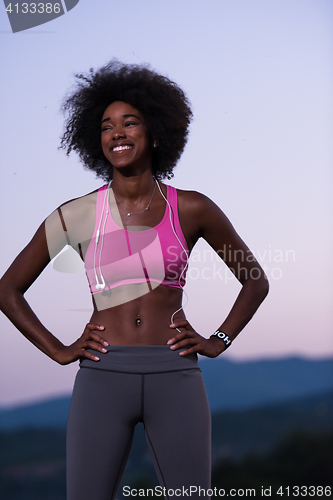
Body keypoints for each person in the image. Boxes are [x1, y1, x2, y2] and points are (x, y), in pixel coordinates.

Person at [0, 60, 269, 500]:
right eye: (107, 126)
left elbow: (254, 280)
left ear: (157, 133)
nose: (117, 133)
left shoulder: (193, 209)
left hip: (176, 374)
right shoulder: (76, 214)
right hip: (102, 376)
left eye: (130, 123)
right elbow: (7, 288)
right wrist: (59, 350)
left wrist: (219, 338)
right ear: (97, 139)